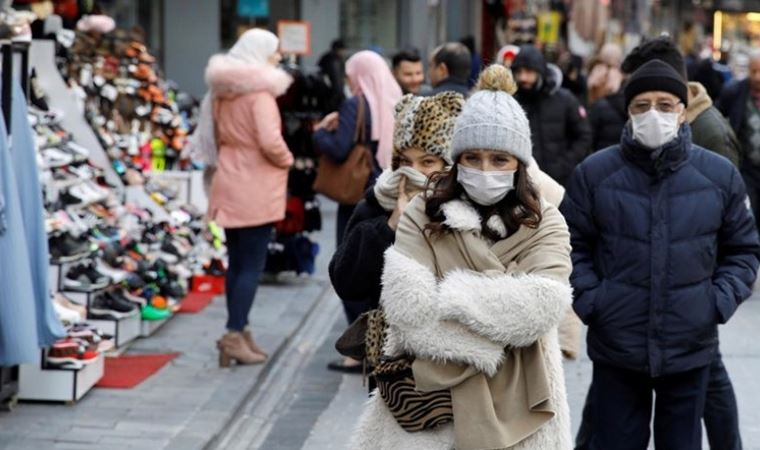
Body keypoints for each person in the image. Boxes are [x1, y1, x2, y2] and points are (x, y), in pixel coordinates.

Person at [350, 64, 573, 450]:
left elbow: (542, 305)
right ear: (458, 159)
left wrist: (449, 296)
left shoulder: (546, 222)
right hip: (429, 408)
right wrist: (498, 326)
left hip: (524, 403)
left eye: (499, 160)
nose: (485, 169)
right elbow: (409, 311)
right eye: (473, 157)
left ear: (519, 164)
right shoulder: (422, 211)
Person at [561, 59, 760, 450]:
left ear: (683, 111)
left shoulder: (718, 176)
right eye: (642, 105)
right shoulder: (595, 174)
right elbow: (570, 246)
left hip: (689, 347)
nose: (654, 113)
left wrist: (715, 302)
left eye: (666, 104)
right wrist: (593, 301)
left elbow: (743, 249)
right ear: (628, 111)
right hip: (617, 346)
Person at [327, 91, 465, 373]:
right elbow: (346, 282)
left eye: (427, 162)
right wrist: (389, 227)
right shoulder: (377, 204)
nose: (413, 173)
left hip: (454, 358)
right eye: (404, 161)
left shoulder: (466, 209)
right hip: (392, 362)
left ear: (447, 165)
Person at [204, 29, 294, 366]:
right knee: (252, 265)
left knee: (237, 262)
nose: (278, 57)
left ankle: (239, 331)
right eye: (274, 51)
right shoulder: (260, 97)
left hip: (229, 179)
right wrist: (289, 160)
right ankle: (233, 332)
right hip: (256, 184)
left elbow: (215, 134)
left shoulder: (222, 94)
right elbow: (271, 143)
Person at [511, 44, 592, 186]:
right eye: (519, 72)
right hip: (523, 184)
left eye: (529, 71)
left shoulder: (565, 99)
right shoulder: (511, 102)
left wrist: (564, 166)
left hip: (560, 183)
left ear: (540, 72)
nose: (523, 77)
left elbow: (583, 136)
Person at [717, 50, 760, 230]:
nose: (757, 77)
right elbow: (717, 116)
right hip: (747, 168)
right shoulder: (734, 91)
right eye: (753, 71)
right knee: (747, 216)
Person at [317, 39, 347, 110]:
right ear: (338, 49)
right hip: (333, 97)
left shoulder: (325, 57)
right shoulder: (334, 61)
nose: (343, 52)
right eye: (342, 50)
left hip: (325, 95)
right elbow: (337, 81)